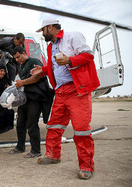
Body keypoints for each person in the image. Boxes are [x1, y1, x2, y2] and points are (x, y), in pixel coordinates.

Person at [31, 18, 100, 179]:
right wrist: (43, 70)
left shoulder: (72, 36)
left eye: (43, 30)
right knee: (53, 125)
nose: (42, 34)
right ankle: (53, 155)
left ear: (50, 27)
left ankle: (86, 166)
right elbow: (55, 66)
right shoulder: (50, 46)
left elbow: (88, 56)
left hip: (77, 91)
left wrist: (70, 60)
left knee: (81, 130)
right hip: (60, 91)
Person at [9, 46, 54, 158]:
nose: (17, 60)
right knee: (20, 123)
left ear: (24, 53)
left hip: (35, 99)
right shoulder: (22, 66)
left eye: (18, 57)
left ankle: (36, 150)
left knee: (32, 124)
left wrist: (22, 82)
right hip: (25, 99)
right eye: (15, 58)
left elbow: (37, 77)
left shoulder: (34, 61)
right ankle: (20, 147)